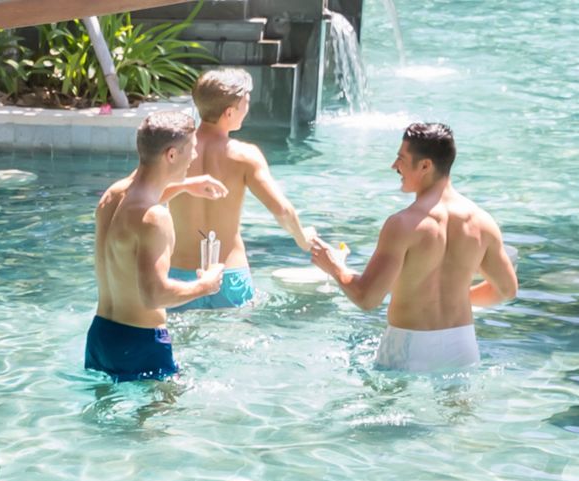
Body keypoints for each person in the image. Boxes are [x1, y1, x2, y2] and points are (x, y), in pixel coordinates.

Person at [310, 120, 518, 375]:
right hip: (462, 344)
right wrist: (455, 296)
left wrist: (334, 266)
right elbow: (507, 290)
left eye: (401, 159)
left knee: (389, 400)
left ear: (425, 166)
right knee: (460, 403)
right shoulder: (483, 223)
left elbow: (367, 298)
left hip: (408, 344)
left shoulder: (403, 225)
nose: (394, 166)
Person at [88, 110, 230, 382]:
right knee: (164, 409)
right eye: (191, 148)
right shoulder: (156, 218)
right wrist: (206, 285)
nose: (195, 156)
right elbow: (155, 294)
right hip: (141, 342)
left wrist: (185, 185)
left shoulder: (112, 196)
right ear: (171, 155)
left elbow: (139, 194)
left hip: (101, 337)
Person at [166, 68, 318, 312]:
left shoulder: (173, 152)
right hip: (230, 274)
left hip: (180, 275)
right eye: (246, 103)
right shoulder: (244, 155)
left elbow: (142, 193)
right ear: (229, 112)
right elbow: (282, 210)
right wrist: (303, 239)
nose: (248, 109)